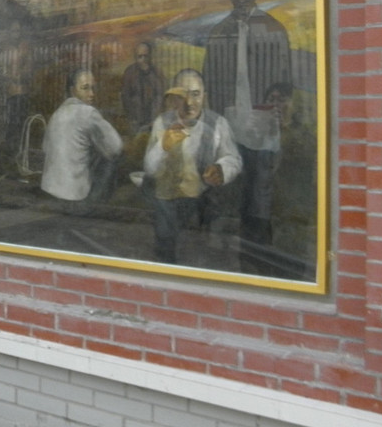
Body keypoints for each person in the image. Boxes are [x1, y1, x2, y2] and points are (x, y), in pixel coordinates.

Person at [202, 0, 292, 249]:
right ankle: (230, 245)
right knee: (232, 185)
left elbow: (285, 78)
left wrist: (280, 110)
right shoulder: (220, 31)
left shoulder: (274, 28)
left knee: (261, 187)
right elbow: (209, 78)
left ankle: (260, 248)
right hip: (230, 120)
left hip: (263, 120)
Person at [143, 69, 241, 264]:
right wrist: (163, 146)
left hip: (202, 201)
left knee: (200, 252)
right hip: (168, 204)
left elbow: (233, 158)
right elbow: (149, 169)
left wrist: (221, 169)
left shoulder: (218, 124)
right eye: (182, 96)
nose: (189, 103)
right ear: (173, 99)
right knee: (166, 252)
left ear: (204, 95)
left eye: (195, 94)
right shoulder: (162, 123)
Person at [40, 68, 123, 208]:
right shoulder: (88, 113)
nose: (91, 94)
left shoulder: (57, 113)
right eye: (85, 88)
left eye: (92, 88)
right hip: (74, 194)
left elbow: (45, 148)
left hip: (49, 188)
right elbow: (116, 147)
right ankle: (98, 206)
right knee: (113, 157)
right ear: (73, 90)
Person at [120, 40, 166, 135]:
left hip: (152, 118)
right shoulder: (129, 73)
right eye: (140, 56)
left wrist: (155, 118)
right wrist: (132, 117)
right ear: (136, 57)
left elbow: (160, 96)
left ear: (150, 56)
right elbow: (125, 97)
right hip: (135, 119)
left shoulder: (157, 74)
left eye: (145, 56)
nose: (143, 60)